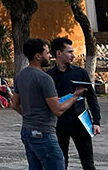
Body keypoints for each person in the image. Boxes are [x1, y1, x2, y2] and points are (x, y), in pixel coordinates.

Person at [12, 38, 87, 170]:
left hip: (27, 131)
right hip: (44, 133)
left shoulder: (20, 76)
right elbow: (57, 110)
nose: (50, 56)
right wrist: (75, 96)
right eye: (47, 53)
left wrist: (31, 116)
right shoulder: (44, 78)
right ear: (38, 56)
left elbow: (15, 104)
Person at [47, 36, 101, 170]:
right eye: (69, 52)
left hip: (81, 122)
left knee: (88, 163)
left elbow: (92, 98)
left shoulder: (80, 73)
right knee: (61, 162)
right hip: (59, 123)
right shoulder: (49, 76)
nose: (73, 55)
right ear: (59, 53)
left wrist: (96, 121)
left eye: (73, 51)